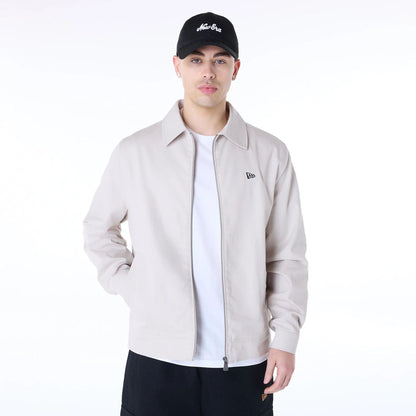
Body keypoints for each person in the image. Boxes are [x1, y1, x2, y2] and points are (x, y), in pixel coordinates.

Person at [82, 11, 308, 416]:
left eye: (220, 59)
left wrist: (286, 338)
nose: (208, 71)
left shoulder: (269, 154)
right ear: (177, 66)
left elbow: (287, 255)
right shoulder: (136, 152)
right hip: (156, 359)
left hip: (245, 362)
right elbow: (99, 229)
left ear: (236, 68)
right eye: (195, 59)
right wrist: (136, 287)